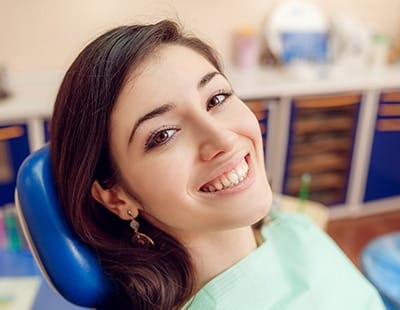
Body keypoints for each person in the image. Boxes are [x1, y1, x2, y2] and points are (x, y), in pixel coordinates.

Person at [50, 20, 385, 309]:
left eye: (217, 98)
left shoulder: (289, 227)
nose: (223, 140)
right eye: (164, 134)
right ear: (116, 197)